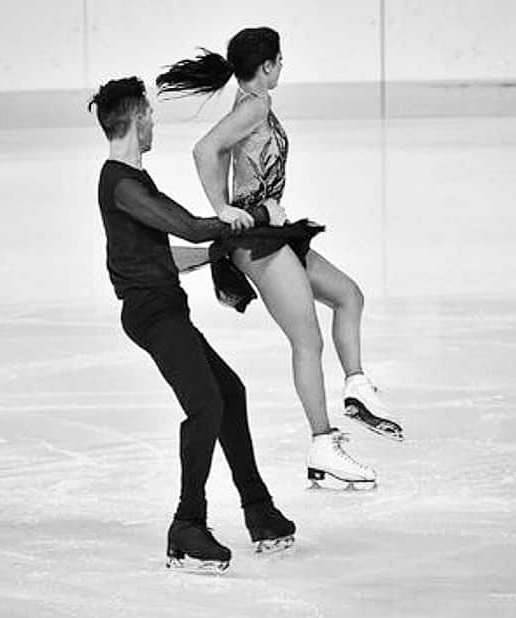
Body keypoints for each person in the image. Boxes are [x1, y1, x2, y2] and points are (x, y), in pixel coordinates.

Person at [157, 27, 404, 489]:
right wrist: (224, 210)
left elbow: (224, 153)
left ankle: (356, 388)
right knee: (307, 340)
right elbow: (204, 149)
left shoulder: (250, 103)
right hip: (258, 241)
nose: (282, 67)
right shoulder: (255, 105)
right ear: (267, 66)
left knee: (348, 296)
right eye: (280, 61)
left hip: (274, 232)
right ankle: (323, 445)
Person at [89, 76, 295, 572]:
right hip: (152, 314)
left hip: (163, 308)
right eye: (151, 115)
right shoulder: (120, 180)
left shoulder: (130, 183)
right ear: (137, 117)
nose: (154, 122)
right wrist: (250, 216)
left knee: (230, 392)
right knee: (205, 404)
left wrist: (210, 253)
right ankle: (187, 525)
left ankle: (259, 510)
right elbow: (184, 223)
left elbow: (160, 248)